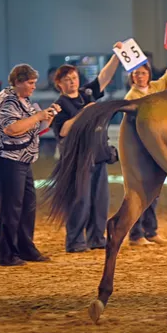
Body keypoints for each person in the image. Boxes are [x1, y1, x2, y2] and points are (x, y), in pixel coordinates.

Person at [0, 64, 61, 266]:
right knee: (10, 207)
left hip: (22, 159)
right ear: (18, 82)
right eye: (30, 82)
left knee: (27, 206)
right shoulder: (7, 99)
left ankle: (25, 248)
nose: (34, 87)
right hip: (6, 158)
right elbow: (11, 129)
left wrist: (48, 116)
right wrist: (38, 116)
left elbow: (35, 130)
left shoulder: (23, 100)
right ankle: (6, 254)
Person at [51, 42, 123, 253]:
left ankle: (96, 238)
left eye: (74, 78)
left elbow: (105, 77)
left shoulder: (87, 94)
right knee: (79, 201)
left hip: (98, 156)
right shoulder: (60, 105)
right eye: (67, 80)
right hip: (78, 160)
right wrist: (84, 113)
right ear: (59, 85)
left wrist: (116, 55)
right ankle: (74, 241)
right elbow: (63, 130)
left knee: (99, 201)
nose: (72, 82)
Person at [125, 44, 167, 246]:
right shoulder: (131, 98)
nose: (139, 76)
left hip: (155, 148)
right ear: (132, 77)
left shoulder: (156, 88)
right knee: (139, 191)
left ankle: (150, 230)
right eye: (136, 74)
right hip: (141, 149)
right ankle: (136, 233)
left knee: (154, 191)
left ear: (148, 74)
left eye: (142, 73)